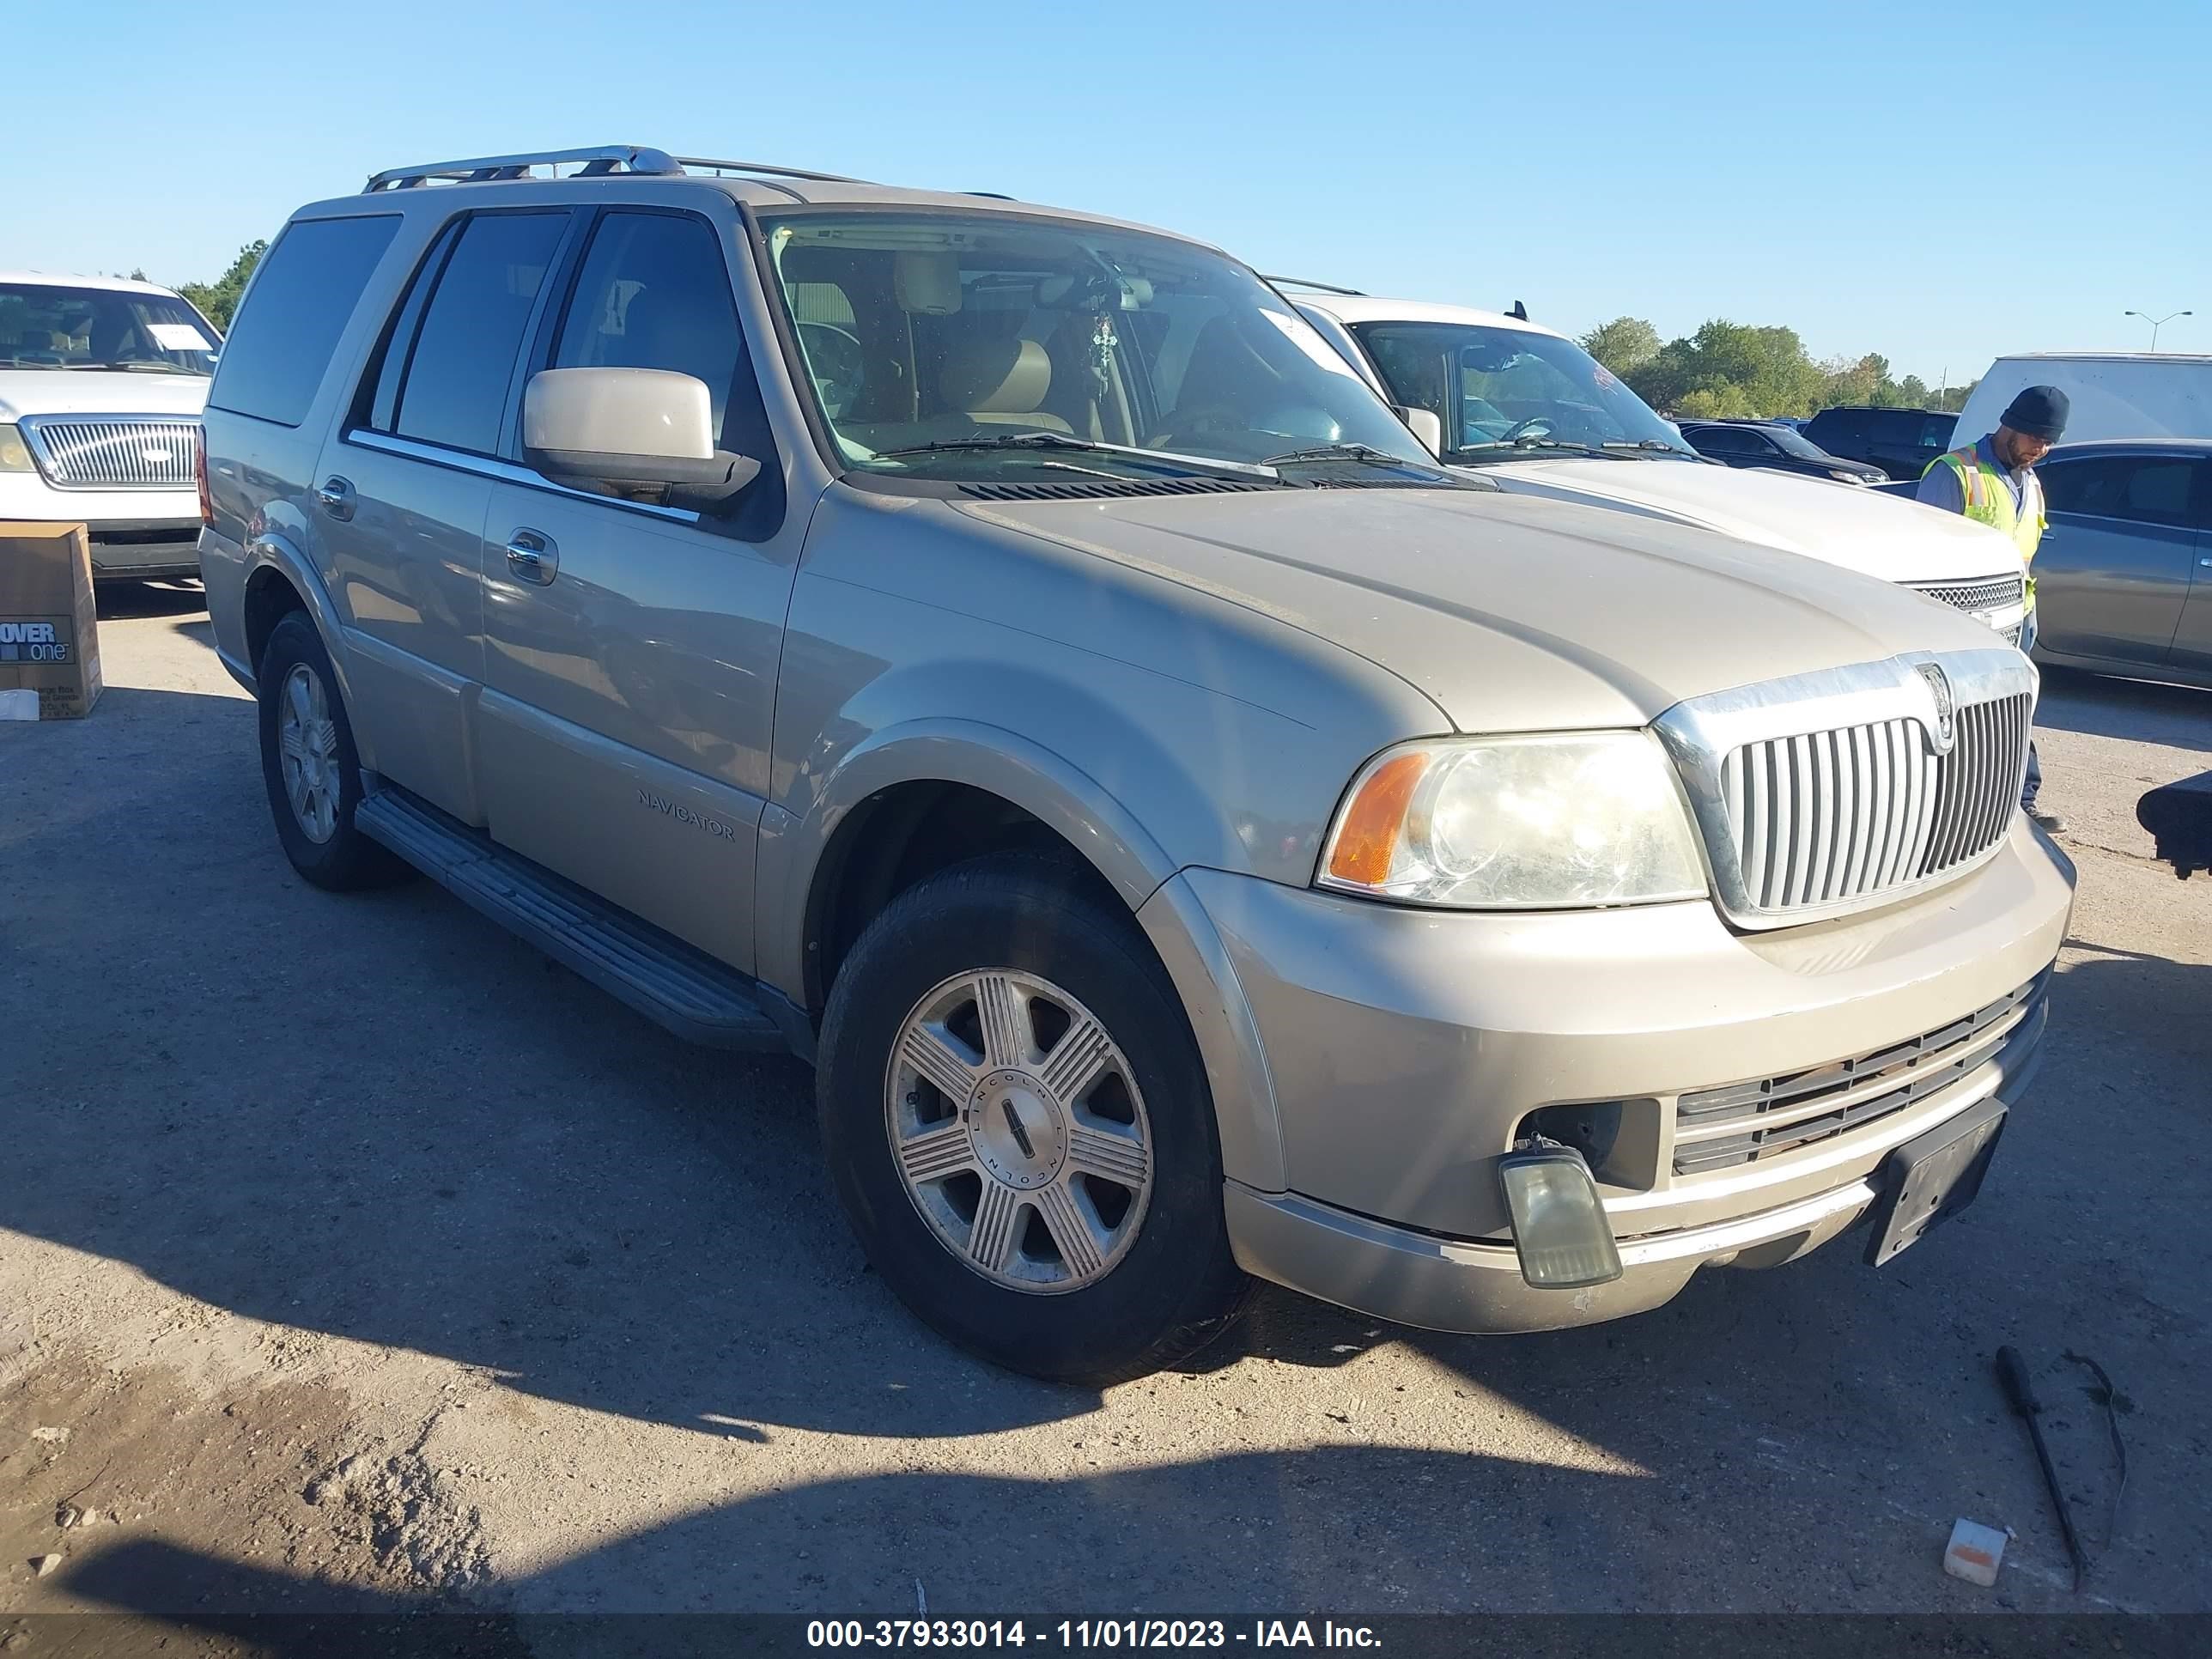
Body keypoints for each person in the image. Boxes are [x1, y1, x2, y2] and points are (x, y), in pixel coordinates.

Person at [1917, 385, 2069, 834]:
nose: (2040, 450)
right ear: (2010, 426)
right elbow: (1923, 555)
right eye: (2035, 439)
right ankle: (1943, 810)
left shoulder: (2031, 482)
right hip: (1959, 622)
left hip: (2016, 617)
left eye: (2048, 442)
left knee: (2012, 712)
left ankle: (2020, 802)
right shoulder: (1955, 472)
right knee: (1957, 720)